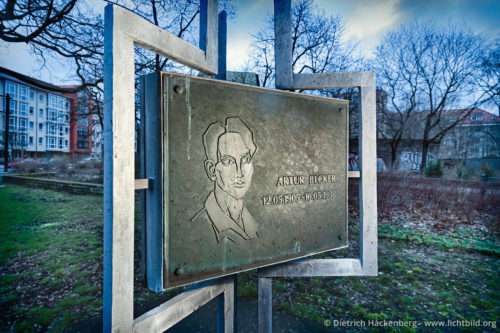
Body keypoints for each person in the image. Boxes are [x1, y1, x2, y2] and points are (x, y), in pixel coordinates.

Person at [191, 117, 259, 245]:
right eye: (228, 161)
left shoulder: (255, 221)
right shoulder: (197, 229)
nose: (239, 173)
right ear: (211, 170)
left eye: (245, 159)